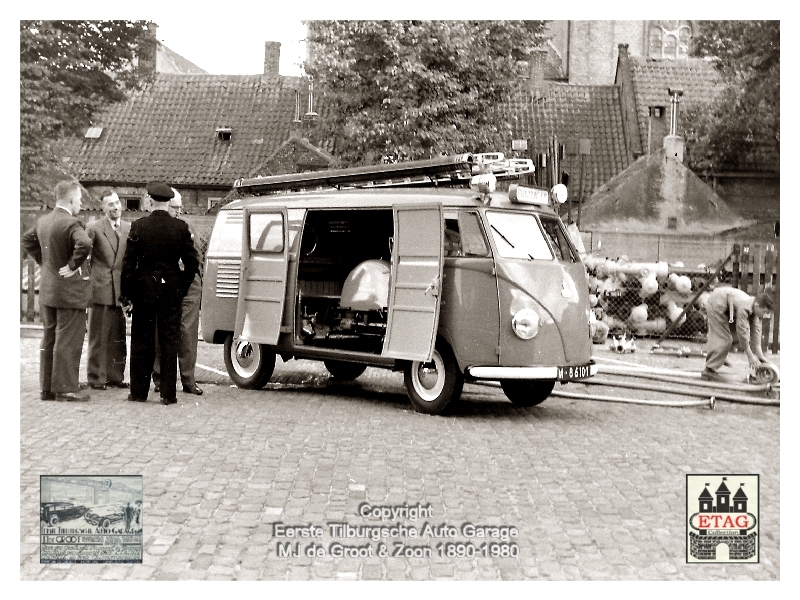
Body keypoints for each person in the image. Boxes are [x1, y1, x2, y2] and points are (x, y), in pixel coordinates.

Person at [121, 182, 200, 404]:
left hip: (144, 291)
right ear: (168, 203)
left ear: (150, 200)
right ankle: (168, 393)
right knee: (169, 342)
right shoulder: (180, 228)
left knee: (141, 342)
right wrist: (180, 286)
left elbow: (129, 265)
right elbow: (193, 264)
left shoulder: (138, 226)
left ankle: (138, 392)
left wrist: (127, 294)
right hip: (170, 292)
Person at [22, 180, 93, 401]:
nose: (80, 204)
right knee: (68, 340)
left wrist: (45, 261)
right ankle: (65, 388)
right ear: (71, 200)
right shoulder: (72, 223)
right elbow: (85, 244)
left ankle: (47, 388)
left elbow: (27, 239)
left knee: (49, 338)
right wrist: (72, 266)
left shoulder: (43, 221)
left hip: (49, 291)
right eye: (79, 200)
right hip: (69, 294)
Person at [152, 190, 204, 396]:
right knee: (161, 331)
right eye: (174, 207)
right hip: (165, 285)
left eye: (180, 207)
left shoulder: (187, 227)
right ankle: (160, 378)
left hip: (189, 285)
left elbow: (196, 255)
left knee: (187, 332)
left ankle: (188, 379)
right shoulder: (157, 226)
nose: (178, 211)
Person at [85, 189, 130, 390]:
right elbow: (83, 258)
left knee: (118, 336)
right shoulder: (94, 228)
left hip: (120, 290)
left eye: (117, 202)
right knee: (99, 336)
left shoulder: (128, 229)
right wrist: (92, 281)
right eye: (110, 204)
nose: (115, 207)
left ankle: (115, 376)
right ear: (103, 208)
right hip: (101, 288)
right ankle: (96, 377)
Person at [703, 286, 774, 381]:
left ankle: (719, 356)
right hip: (716, 305)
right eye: (764, 311)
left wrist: (760, 356)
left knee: (734, 337)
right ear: (757, 306)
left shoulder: (754, 308)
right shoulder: (744, 307)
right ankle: (709, 371)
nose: (765, 315)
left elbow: (756, 332)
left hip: (728, 307)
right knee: (725, 339)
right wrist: (750, 357)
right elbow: (743, 334)